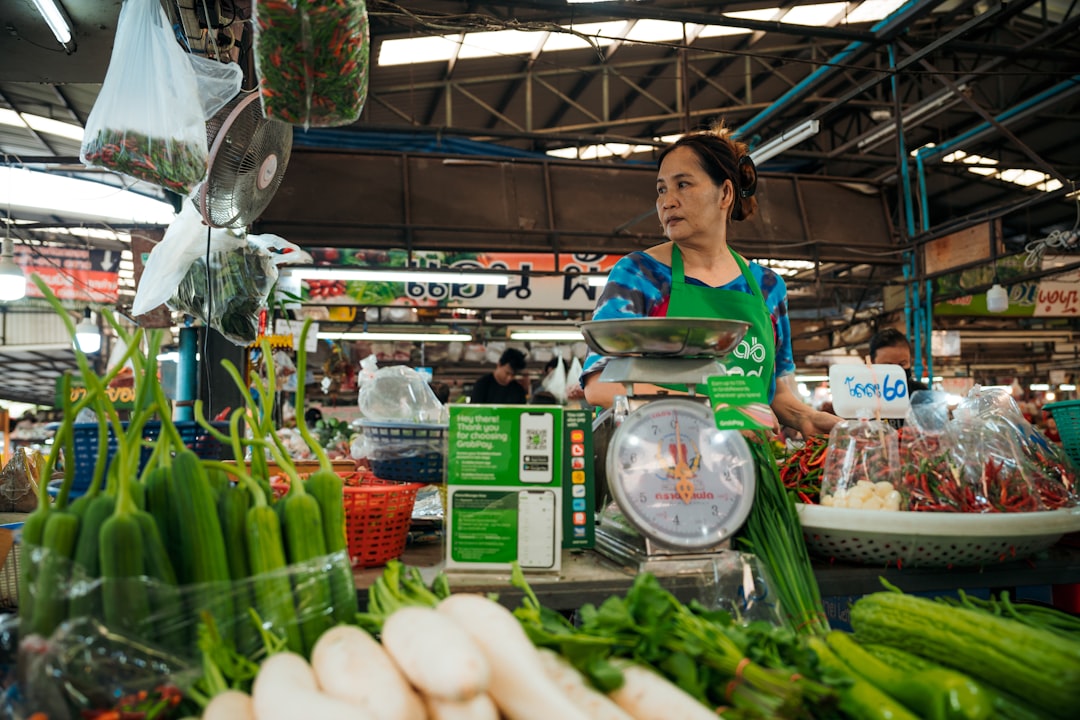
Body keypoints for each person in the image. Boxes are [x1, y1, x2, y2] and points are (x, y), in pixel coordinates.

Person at [581, 124, 839, 437]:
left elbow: (775, 392)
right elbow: (600, 384)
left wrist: (806, 418)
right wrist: (713, 410)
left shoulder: (768, 287)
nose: (667, 201)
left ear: (726, 193)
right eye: (662, 189)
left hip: (750, 467)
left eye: (683, 185)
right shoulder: (640, 274)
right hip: (659, 467)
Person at [868, 328, 929, 392]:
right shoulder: (862, 393)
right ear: (872, 363)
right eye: (888, 365)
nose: (896, 371)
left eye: (902, 364)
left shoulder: (920, 393)